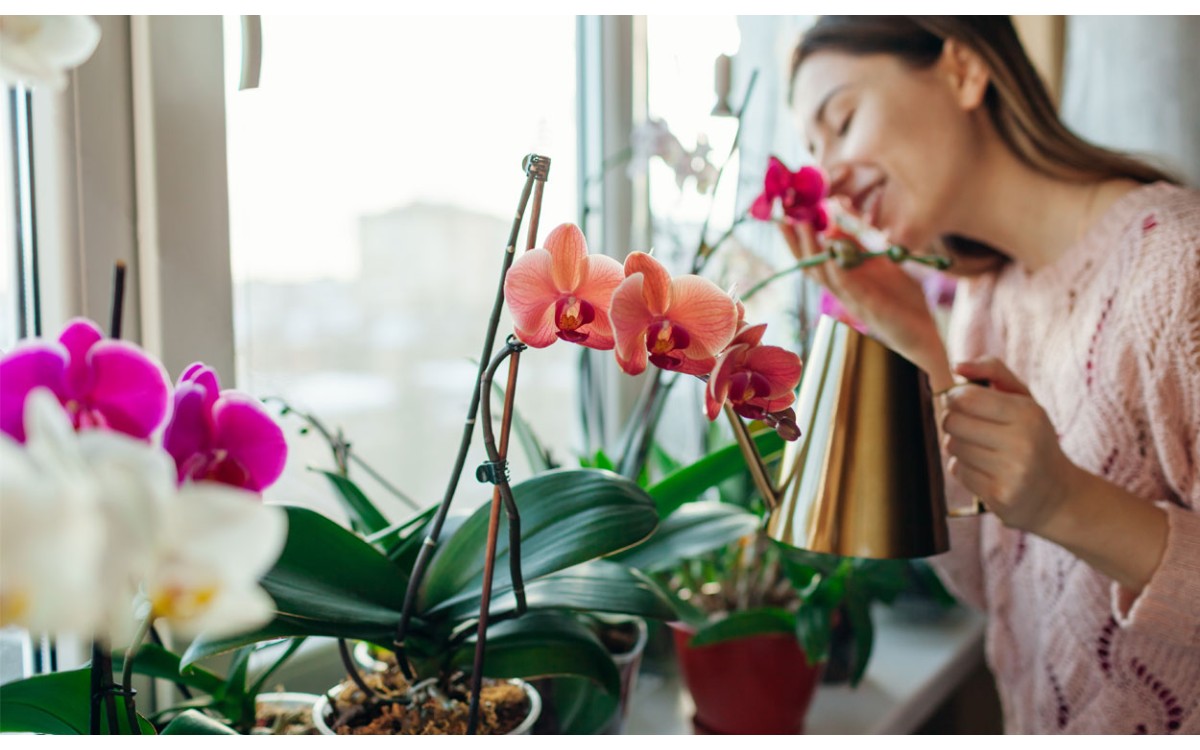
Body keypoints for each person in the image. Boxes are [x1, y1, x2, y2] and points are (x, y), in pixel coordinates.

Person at [782, 16, 1198, 734]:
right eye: (813, 154)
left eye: (842, 119)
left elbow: (1051, 514)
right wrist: (913, 338)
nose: (832, 181)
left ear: (965, 69)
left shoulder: (1177, 269)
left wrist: (1066, 502)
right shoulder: (984, 301)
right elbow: (988, 585)